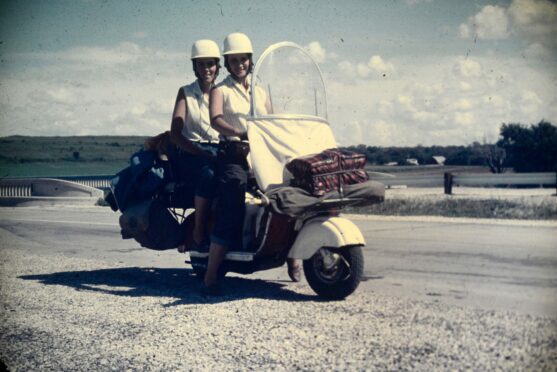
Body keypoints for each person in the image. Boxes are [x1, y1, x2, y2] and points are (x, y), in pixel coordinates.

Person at [203, 33, 301, 293]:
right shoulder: (220, 89)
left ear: (250, 59)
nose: (239, 65)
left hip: (262, 154)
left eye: (243, 59)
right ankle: (210, 277)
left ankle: (293, 257)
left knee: (285, 196)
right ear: (227, 62)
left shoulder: (259, 90)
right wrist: (239, 131)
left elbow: (271, 118)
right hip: (232, 155)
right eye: (233, 61)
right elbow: (215, 119)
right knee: (232, 205)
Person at [167, 39, 221, 252]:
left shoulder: (224, 92)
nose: (207, 69)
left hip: (218, 150)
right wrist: (201, 152)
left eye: (211, 63)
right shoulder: (186, 92)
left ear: (217, 65)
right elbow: (175, 133)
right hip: (190, 152)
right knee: (208, 174)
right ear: (195, 67)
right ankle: (198, 230)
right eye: (201, 64)